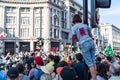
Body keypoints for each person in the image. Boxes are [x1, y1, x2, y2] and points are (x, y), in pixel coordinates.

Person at [72, 14, 97, 80]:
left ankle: (94, 79)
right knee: (93, 61)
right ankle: (95, 77)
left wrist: (79, 39)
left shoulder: (74, 27)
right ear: (80, 19)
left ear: (74, 20)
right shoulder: (85, 25)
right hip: (91, 42)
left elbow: (74, 38)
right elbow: (90, 34)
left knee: (90, 64)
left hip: (84, 44)